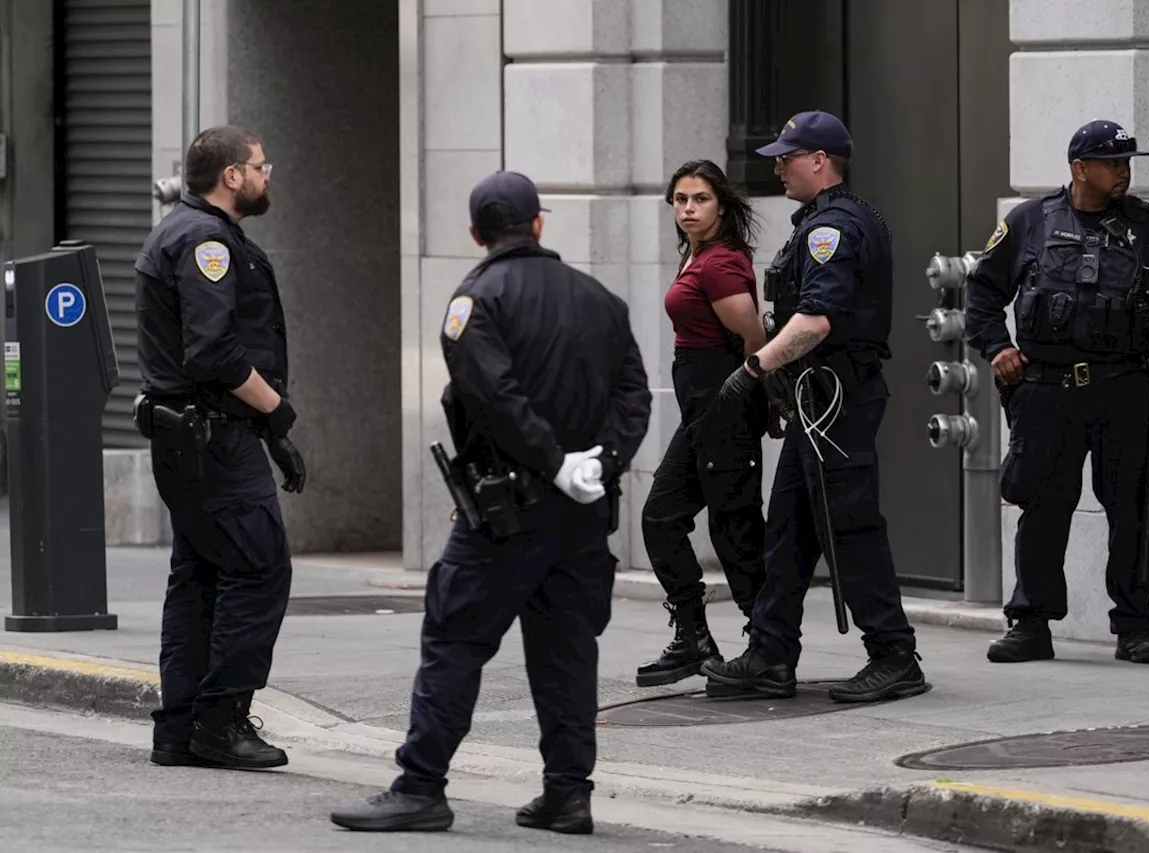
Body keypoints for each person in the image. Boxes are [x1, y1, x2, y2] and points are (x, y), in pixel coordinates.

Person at [329, 170, 652, 835]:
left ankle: (421, 784)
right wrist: (601, 463)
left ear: (476, 233)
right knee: (567, 650)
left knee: (454, 639)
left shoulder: (476, 301)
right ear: (539, 223)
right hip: (584, 510)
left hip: (508, 512)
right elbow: (636, 397)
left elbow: (493, 397)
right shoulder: (602, 301)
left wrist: (554, 463)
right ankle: (567, 793)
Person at [699, 111, 926, 704]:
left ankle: (894, 654)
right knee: (791, 530)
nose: (778, 165)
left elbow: (818, 318)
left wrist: (754, 367)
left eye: (788, 156)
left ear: (820, 160)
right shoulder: (824, 222)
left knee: (849, 527)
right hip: (816, 399)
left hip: (835, 400)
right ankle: (772, 653)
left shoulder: (834, 229)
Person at [965, 119, 1149, 665]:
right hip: (1047, 391)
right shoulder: (1029, 222)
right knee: (1044, 508)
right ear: (1079, 169)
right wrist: (998, 346)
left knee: (1132, 511)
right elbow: (981, 290)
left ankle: (1136, 627)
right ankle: (1030, 623)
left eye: (1127, 162)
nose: (1124, 172)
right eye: (1112, 163)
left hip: (1127, 392)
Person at [133, 125, 305, 770]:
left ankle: (178, 728)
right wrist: (277, 412)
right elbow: (214, 353)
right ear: (231, 176)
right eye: (261, 166)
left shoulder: (182, 231)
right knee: (259, 571)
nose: (268, 175)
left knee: (201, 577)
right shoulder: (207, 240)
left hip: (193, 437)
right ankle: (222, 721)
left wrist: (268, 433)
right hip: (212, 440)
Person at [635, 159, 770, 688]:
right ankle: (693, 637)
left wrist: (750, 402)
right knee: (661, 517)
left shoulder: (719, 263)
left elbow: (754, 340)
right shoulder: (696, 258)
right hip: (700, 409)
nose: (688, 209)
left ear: (721, 205)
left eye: (700, 199)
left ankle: (768, 646)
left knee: (734, 527)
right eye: (680, 200)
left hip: (723, 405)